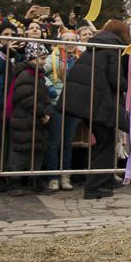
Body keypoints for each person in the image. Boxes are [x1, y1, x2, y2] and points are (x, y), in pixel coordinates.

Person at [63, 20, 131, 200]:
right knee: (104, 141)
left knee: (106, 138)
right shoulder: (113, 47)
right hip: (94, 100)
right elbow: (115, 78)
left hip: (86, 98)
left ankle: (106, 177)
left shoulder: (100, 44)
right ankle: (94, 186)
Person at [7, 42, 54, 195]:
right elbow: (27, 98)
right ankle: (14, 183)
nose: (44, 61)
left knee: (37, 150)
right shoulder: (26, 75)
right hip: (25, 120)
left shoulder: (39, 75)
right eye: (42, 58)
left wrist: (47, 111)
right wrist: (42, 113)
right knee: (21, 152)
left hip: (35, 120)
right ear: (33, 58)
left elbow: (45, 97)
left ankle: (34, 181)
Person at [43, 31, 82, 191]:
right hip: (56, 103)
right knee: (54, 142)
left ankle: (65, 176)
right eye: (67, 40)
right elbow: (40, 73)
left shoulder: (80, 59)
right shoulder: (52, 58)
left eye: (73, 40)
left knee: (67, 143)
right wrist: (49, 85)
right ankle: (53, 177)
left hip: (73, 104)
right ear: (60, 42)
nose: (70, 43)